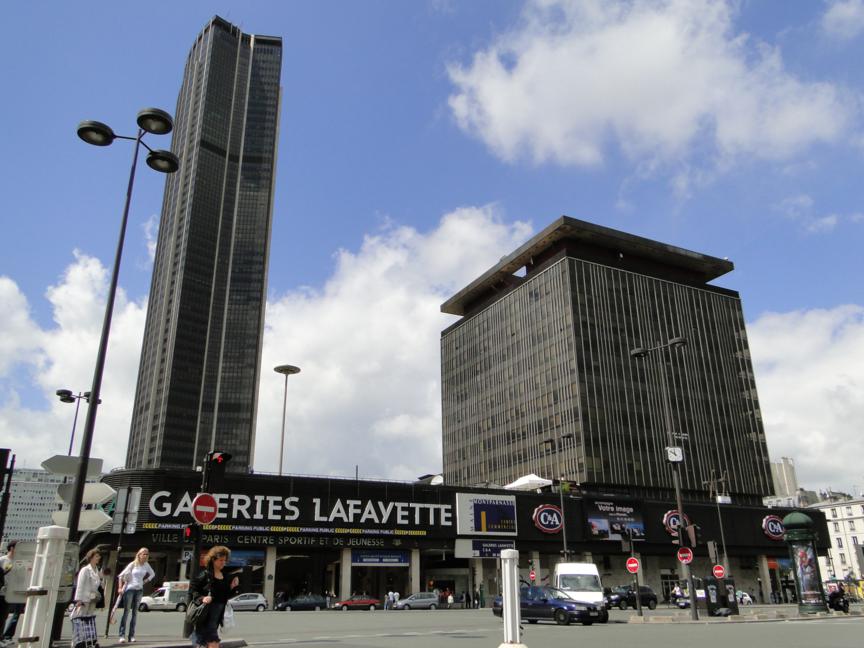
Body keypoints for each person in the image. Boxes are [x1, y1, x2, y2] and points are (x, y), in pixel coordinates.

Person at [190, 546, 240, 648]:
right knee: (212, 643)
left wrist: (232, 587)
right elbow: (193, 590)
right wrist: (202, 598)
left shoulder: (225, 576)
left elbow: (225, 596)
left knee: (205, 643)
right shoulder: (205, 575)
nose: (223, 563)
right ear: (213, 559)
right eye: (221, 560)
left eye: (225, 560)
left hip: (217, 617)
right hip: (205, 615)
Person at [117, 547, 155, 643]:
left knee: (135, 613)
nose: (145, 555)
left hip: (139, 590)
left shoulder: (146, 565)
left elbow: (152, 574)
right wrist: (120, 588)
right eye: (143, 554)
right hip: (130, 589)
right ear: (139, 554)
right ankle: (122, 635)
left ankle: (131, 636)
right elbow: (120, 576)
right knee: (126, 612)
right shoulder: (133, 564)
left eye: (147, 554)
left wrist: (145, 581)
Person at [70, 549, 103, 648]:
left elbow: (98, 584)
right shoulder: (85, 570)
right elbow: (80, 585)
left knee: (89, 619)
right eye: (97, 556)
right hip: (84, 598)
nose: (98, 558)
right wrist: (79, 600)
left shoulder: (97, 569)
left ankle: (88, 641)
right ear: (91, 557)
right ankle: (76, 641)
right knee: (80, 618)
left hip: (93, 598)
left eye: (99, 556)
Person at [0, 541, 17, 647]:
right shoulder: (2, 560)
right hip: (1, 592)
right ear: (11, 548)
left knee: (4, 616)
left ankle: (1, 637)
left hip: (10, 593)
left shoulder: (17, 561)